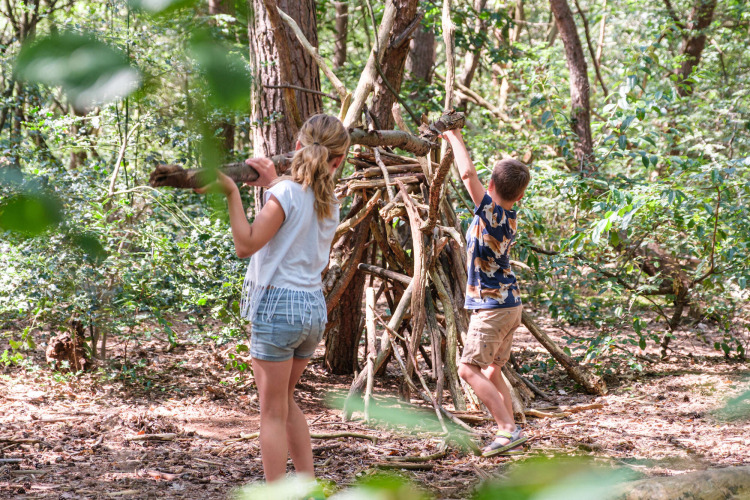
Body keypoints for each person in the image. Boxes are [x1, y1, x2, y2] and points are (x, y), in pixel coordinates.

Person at [197, 114, 349, 481]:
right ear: (338, 160)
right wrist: (273, 184)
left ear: (297, 147)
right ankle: (308, 484)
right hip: (312, 310)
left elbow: (246, 245)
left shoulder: (284, 193)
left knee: (272, 413)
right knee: (285, 401)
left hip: (279, 307)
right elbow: (296, 206)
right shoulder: (330, 203)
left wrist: (233, 191)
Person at [442, 129, 531, 457]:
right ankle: (511, 429)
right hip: (510, 305)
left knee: (468, 369)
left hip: (493, 308)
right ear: (519, 196)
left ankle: (507, 429)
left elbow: (466, 174)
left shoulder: (492, 211)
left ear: (491, 187)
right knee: (492, 370)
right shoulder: (508, 216)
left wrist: (454, 136)